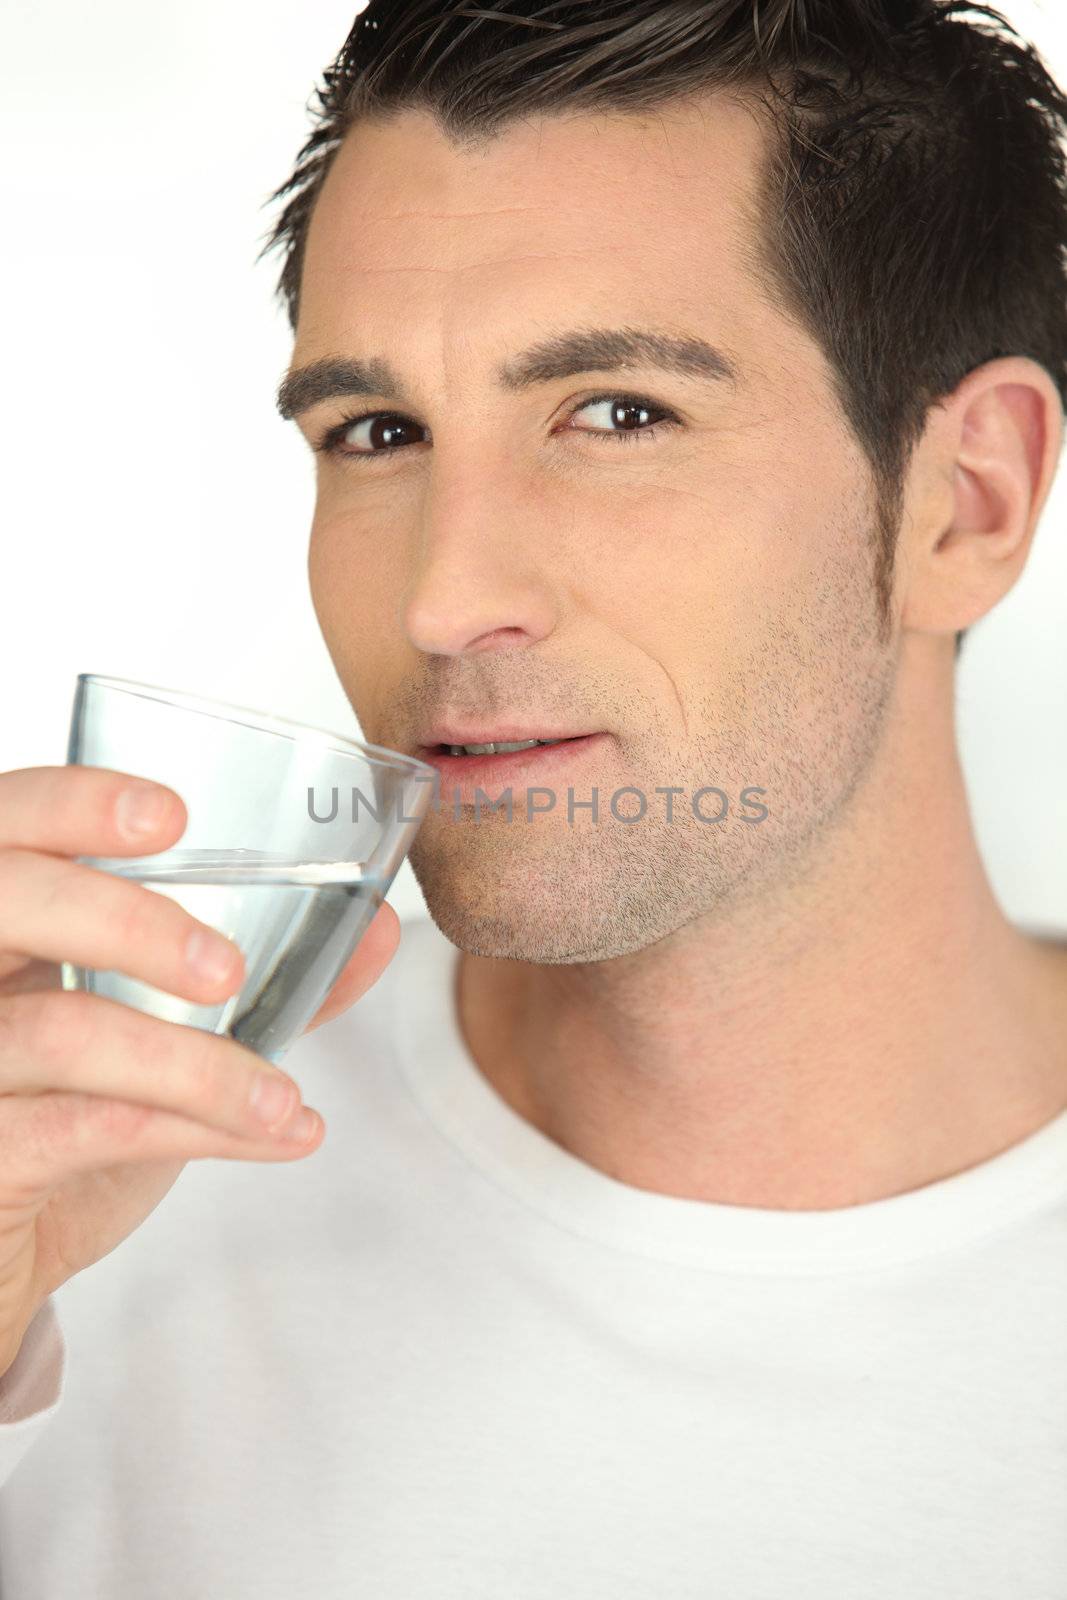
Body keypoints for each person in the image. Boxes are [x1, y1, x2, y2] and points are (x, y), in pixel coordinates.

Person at [2, 0, 1066, 1592]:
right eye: (377, 432)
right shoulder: (81, 1201)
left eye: (618, 414)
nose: (443, 597)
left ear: (965, 501)